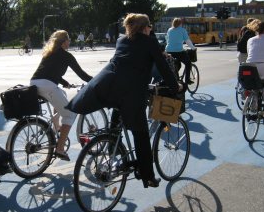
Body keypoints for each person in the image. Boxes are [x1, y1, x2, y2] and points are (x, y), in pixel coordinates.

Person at [67, 13, 179, 188]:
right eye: (149, 26)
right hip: (132, 95)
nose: (151, 29)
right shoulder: (149, 41)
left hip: (112, 90)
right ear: (144, 28)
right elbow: (163, 68)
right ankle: (147, 175)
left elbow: (119, 64)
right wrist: (175, 86)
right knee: (140, 135)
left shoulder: (122, 40)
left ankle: (113, 148)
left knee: (117, 122)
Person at [30, 30, 92, 160]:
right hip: (47, 85)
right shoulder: (67, 56)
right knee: (70, 114)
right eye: (68, 39)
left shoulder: (49, 53)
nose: (69, 42)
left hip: (35, 83)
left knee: (62, 93)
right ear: (64, 42)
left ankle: (56, 124)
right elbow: (82, 75)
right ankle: (60, 148)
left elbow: (50, 73)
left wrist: (65, 83)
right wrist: (97, 81)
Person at [165, 17, 196, 85]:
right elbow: (187, 41)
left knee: (177, 64)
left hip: (168, 51)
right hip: (179, 51)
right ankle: (187, 80)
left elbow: (167, 39)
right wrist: (193, 48)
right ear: (180, 24)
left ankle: (175, 77)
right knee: (188, 63)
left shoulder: (169, 30)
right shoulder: (182, 30)